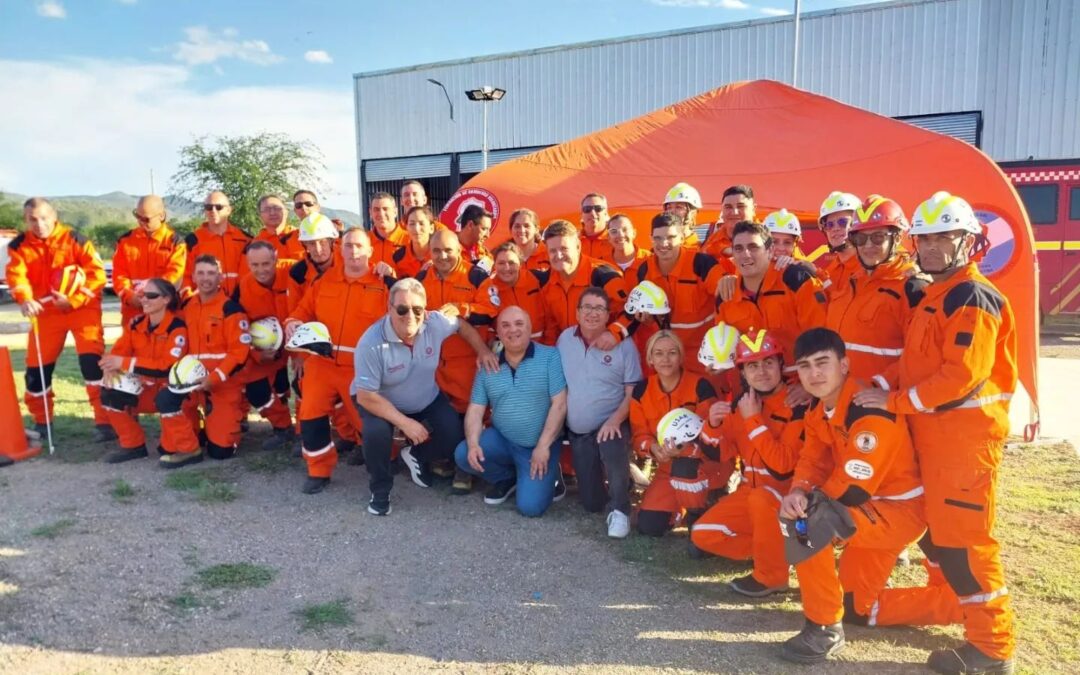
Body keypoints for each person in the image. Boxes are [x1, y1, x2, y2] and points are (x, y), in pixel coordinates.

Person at [853, 192, 1017, 674]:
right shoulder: (936, 295)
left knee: (967, 545)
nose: (932, 247)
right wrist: (880, 385)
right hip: (937, 440)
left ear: (969, 241)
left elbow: (959, 376)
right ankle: (955, 608)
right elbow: (916, 361)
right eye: (925, 238)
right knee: (943, 540)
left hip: (964, 446)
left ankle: (992, 647)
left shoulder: (973, 296)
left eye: (944, 236)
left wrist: (894, 401)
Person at [777, 327, 925, 665]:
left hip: (899, 511)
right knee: (858, 606)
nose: (813, 374)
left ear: (844, 365)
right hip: (871, 509)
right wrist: (797, 490)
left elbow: (854, 486)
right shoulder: (818, 409)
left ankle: (824, 628)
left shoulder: (867, 408)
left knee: (809, 524)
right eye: (804, 366)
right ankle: (959, 606)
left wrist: (808, 505)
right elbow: (812, 459)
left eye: (822, 363)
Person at [352, 278, 498, 516]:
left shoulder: (434, 323)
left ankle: (415, 455)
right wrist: (405, 423)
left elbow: (461, 324)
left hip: (424, 397)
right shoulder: (371, 342)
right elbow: (366, 396)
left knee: (454, 437)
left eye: (417, 309)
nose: (410, 315)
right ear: (389, 308)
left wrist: (482, 350)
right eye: (402, 309)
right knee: (376, 433)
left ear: (426, 310)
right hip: (381, 401)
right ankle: (380, 491)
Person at [691, 329, 805, 595]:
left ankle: (772, 576)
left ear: (780, 364)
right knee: (703, 534)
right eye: (753, 365)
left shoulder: (798, 404)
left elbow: (782, 466)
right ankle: (782, 552)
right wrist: (713, 424)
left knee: (761, 497)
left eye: (768, 363)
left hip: (791, 497)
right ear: (742, 372)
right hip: (750, 494)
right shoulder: (739, 404)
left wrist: (753, 420)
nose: (762, 372)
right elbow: (716, 455)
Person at [286, 229, 393, 494]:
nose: (353, 252)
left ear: (370, 251)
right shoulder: (324, 282)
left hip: (361, 368)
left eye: (359, 246)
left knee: (366, 422)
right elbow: (301, 312)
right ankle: (318, 469)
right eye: (348, 246)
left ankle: (388, 458)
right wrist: (293, 323)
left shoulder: (384, 283)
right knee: (310, 416)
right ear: (340, 250)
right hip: (321, 365)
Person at [6, 197, 114, 442]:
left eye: (43, 218)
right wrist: (24, 299)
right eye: (32, 219)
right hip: (45, 314)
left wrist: (73, 300)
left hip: (82, 311)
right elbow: (16, 276)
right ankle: (43, 422)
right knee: (36, 371)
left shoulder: (76, 240)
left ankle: (105, 422)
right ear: (26, 219)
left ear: (54, 217)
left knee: (93, 367)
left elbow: (97, 277)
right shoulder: (19, 245)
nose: (39, 224)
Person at [457, 306, 568, 517]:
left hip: (540, 445)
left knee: (530, 507)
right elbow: (475, 410)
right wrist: (473, 444)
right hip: (504, 440)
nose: (512, 330)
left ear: (530, 328)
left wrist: (543, 446)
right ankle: (506, 478)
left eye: (519, 324)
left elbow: (560, 404)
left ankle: (552, 471)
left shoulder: (550, 357)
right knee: (463, 454)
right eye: (505, 325)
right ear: (497, 332)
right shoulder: (488, 365)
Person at [557, 288, 641, 536]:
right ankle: (626, 479)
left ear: (608, 316)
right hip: (579, 432)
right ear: (577, 312)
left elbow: (632, 392)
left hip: (612, 423)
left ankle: (620, 510)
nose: (592, 314)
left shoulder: (624, 346)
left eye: (599, 309)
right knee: (592, 503)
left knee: (613, 446)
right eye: (587, 307)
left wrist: (614, 420)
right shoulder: (564, 339)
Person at [630, 331, 729, 538]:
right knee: (649, 526)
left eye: (672, 353)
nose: (665, 359)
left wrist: (685, 447)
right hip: (668, 467)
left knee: (686, 467)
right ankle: (679, 509)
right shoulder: (641, 391)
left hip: (703, 465)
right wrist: (653, 449)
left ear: (681, 356)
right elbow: (639, 436)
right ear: (650, 359)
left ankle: (699, 511)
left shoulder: (700, 385)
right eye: (658, 353)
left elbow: (710, 436)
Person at [160, 254, 251, 466]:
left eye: (211, 273)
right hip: (190, 383)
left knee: (220, 452)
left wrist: (214, 378)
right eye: (200, 273)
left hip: (222, 384)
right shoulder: (187, 306)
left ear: (220, 277)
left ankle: (224, 426)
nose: (205, 278)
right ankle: (195, 433)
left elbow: (239, 354)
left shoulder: (231, 309)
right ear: (193, 276)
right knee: (168, 445)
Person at [826, 196, 924, 382]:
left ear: (897, 238)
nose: (868, 245)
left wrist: (881, 386)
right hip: (842, 398)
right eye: (861, 238)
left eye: (878, 237)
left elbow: (922, 357)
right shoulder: (851, 283)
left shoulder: (912, 287)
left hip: (881, 404)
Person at [287, 213, 361, 455]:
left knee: (361, 410)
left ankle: (357, 440)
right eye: (311, 243)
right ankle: (319, 466)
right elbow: (299, 311)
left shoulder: (352, 264)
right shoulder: (301, 274)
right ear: (304, 246)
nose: (317, 249)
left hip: (353, 356)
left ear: (333, 241)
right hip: (319, 354)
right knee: (310, 405)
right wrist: (294, 334)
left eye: (322, 242)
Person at [619, 213, 726, 375]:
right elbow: (642, 314)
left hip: (701, 355)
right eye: (658, 238)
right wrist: (648, 320)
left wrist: (721, 349)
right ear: (651, 239)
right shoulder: (644, 270)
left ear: (682, 236)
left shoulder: (701, 264)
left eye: (671, 237)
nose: (664, 243)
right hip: (665, 356)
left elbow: (727, 301)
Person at [714, 221, 827, 372]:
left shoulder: (796, 281)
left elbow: (821, 339)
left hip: (799, 386)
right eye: (738, 249)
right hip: (750, 389)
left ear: (770, 250)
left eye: (753, 247)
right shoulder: (726, 295)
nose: (745, 254)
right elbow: (723, 351)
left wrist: (806, 385)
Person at [99, 278, 189, 462]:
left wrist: (124, 363)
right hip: (145, 389)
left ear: (166, 299)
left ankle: (189, 439)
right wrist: (109, 367)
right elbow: (117, 353)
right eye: (142, 295)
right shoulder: (135, 324)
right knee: (109, 391)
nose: (144, 299)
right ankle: (133, 445)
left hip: (173, 394)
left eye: (151, 295)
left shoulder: (177, 328)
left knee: (168, 449)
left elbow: (167, 366)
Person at [417, 229, 492, 417]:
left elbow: (490, 311)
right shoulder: (421, 279)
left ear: (459, 249)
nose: (442, 256)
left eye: (448, 250)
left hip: (467, 366)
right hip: (433, 368)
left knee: (472, 422)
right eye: (436, 251)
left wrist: (462, 308)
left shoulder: (476, 276)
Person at [232, 241, 295, 450]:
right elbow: (235, 327)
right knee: (255, 389)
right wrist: (256, 354)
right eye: (255, 265)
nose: (261, 270)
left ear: (276, 258)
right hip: (268, 348)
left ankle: (314, 431)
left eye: (266, 264)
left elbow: (326, 265)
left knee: (304, 388)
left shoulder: (294, 270)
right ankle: (283, 426)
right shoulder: (243, 287)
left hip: (300, 341)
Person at [538, 220, 626, 345]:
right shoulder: (546, 281)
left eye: (564, 249)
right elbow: (551, 327)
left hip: (605, 349)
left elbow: (629, 313)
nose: (558, 255)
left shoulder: (603, 275)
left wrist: (614, 334)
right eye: (553, 251)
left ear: (578, 246)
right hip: (570, 351)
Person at [112, 194, 186, 326]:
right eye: (137, 216)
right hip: (133, 311)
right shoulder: (125, 241)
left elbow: (174, 276)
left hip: (164, 313)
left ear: (162, 216)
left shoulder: (175, 243)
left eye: (146, 219)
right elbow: (119, 275)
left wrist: (152, 298)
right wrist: (130, 297)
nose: (140, 221)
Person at [476, 242, 549, 343]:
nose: (507, 268)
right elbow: (484, 321)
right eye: (501, 263)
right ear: (494, 265)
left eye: (511, 263)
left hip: (540, 345)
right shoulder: (488, 287)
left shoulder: (536, 279)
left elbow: (551, 314)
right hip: (506, 349)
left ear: (520, 264)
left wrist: (550, 342)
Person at [182, 191, 252, 297]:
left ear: (229, 210)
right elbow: (185, 277)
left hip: (242, 303)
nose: (213, 211)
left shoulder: (245, 239)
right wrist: (189, 299)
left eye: (218, 207)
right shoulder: (193, 241)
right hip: (207, 304)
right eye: (209, 207)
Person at [814, 191, 862, 295]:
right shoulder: (830, 271)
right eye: (829, 224)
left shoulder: (871, 269)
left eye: (842, 222)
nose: (835, 229)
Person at [701, 184, 754, 269]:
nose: (734, 212)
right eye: (728, 207)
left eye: (740, 206)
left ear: (753, 209)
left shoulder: (771, 238)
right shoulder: (712, 242)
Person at [253, 194, 304, 261]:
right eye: (267, 209)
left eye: (277, 208)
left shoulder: (302, 237)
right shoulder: (255, 244)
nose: (272, 213)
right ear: (260, 216)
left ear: (286, 212)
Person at [391, 205, 436, 278]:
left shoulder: (440, 255)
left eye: (421, 224)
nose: (416, 229)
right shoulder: (398, 257)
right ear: (406, 228)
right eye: (412, 224)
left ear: (431, 228)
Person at [368, 191, 409, 268]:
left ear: (395, 212)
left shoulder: (409, 240)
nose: (381, 213)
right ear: (370, 212)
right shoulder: (364, 241)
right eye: (376, 209)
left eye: (385, 209)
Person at [662, 182, 702, 248]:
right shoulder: (660, 247)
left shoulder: (700, 250)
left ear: (692, 213)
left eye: (678, 207)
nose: (672, 211)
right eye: (669, 207)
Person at [456, 204, 493, 271]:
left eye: (489, 230)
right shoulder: (449, 250)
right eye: (484, 229)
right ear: (470, 225)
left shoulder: (483, 251)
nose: (488, 235)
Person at [578, 193, 610, 260]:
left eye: (598, 208)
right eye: (587, 209)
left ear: (606, 214)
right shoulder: (572, 240)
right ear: (582, 215)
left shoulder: (616, 240)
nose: (592, 213)